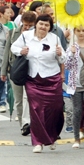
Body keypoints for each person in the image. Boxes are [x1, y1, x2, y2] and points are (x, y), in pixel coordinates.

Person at [11, 14, 65, 153]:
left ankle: (52, 136)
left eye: (47, 25)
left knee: (56, 109)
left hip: (52, 78)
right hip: (32, 78)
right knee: (35, 110)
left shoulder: (55, 38)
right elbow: (13, 47)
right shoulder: (26, 36)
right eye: (41, 24)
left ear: (50, 27)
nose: (43, 27)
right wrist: (21, 51)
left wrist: (60, 53)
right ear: (36, 24)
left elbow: (63, 58)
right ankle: (38, 142)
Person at [1, 10, 35, 135]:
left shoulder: (35, 35)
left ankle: (28, 124)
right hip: (15, 69)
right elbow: (6, 52)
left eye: (30, 25)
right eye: (25, 25)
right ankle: (22, 123)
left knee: (28, 97)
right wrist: (3, 71)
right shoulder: (13, 32)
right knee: (18, 99)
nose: (27, 28)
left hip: (30, 69)